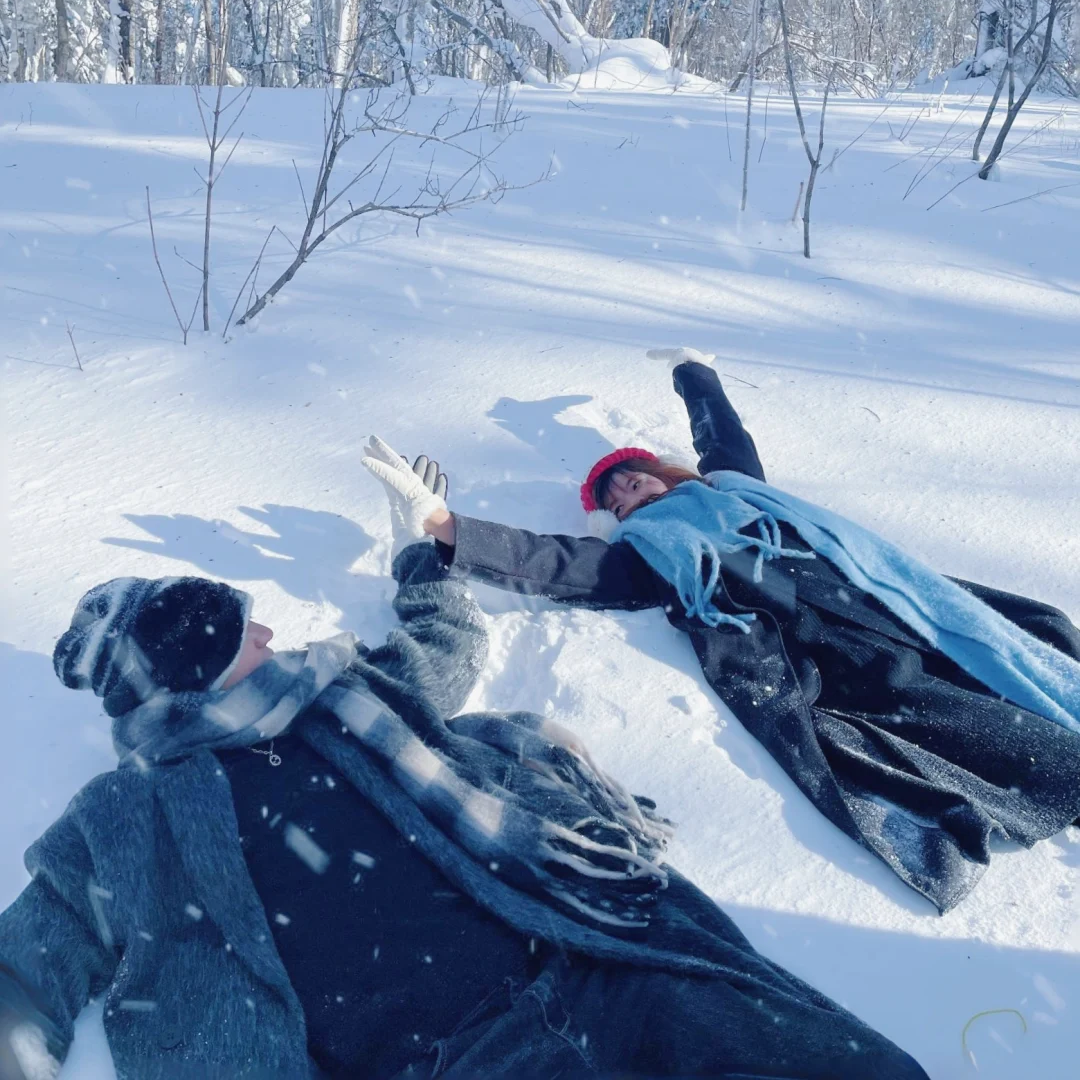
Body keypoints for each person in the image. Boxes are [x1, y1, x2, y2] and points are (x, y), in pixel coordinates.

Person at [0, 522, 926, 1078]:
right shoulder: (123, 820)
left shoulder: (342, 700)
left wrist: (426, 564)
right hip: (451, 1060)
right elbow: (20, 975)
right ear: (188, 676)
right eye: (243, 633)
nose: (275, 632)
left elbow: (440, 650)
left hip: (591, 962)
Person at [362, 348, 1080, 915]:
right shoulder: (645, 555)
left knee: (1003, 644)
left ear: (662, 475)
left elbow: (723, 436)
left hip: (881, 590)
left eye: (635, 479)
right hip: (826, 638)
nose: (628, 493)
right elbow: (556, 565)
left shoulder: (734, 486)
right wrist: (444, 526)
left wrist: (693, 371)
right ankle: (1059, 769)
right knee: (946, 711)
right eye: (614, 498)